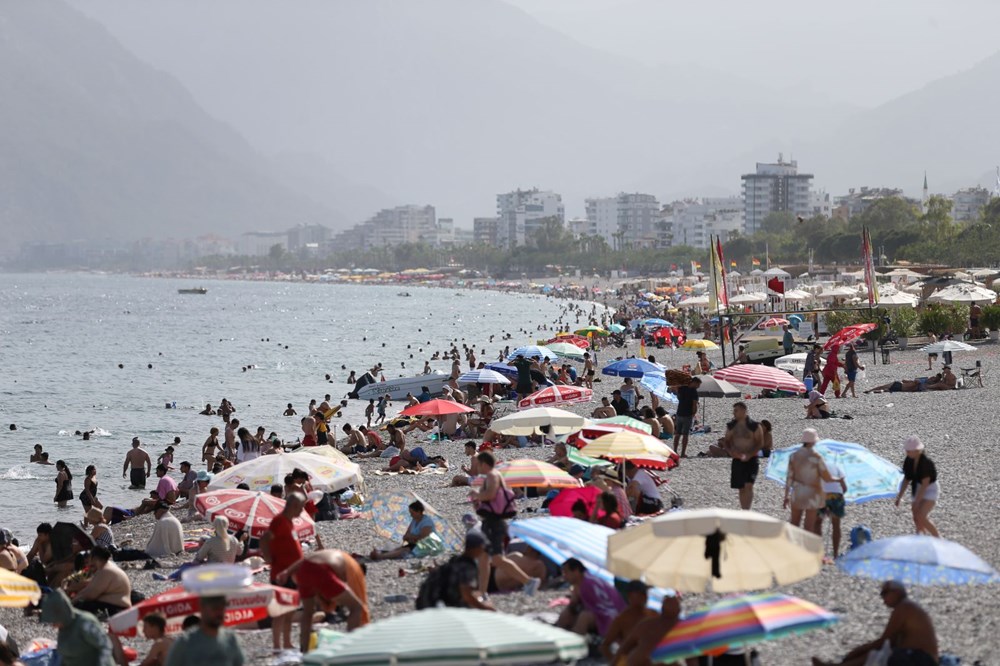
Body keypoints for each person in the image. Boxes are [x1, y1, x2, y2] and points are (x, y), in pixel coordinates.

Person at [812, 581, 938, 666]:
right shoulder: (906, 607)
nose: (882, 598)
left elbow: (883, 641)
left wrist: (856, 652)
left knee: (874, 655)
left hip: (920, 658)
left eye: (884, 593)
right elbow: (890, 641)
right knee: (874, 654)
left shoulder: (904, 608)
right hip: (920, 656)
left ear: (897, 592)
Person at [470, 452, 540, 597]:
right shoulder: (492, 476)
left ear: (484, 464)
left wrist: (476, 494)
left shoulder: (492, 475)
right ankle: (482, 592)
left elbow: (490, 494)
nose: (477, 468)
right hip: (490, 522)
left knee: (496, 559)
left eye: (478, 464)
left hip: (494, 524)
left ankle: (528, 581)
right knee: (484, 558)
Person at [275, 550, 369, 653]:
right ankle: (351, 649)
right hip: (322, 570)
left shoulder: (332, 553)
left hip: (303, 570)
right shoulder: (352, 569)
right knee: (356, 607)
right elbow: (344, 594)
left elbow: (306, 559)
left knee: (308, 613)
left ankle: (305, 652)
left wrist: (287, 572)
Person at [261, 492, 306, 651]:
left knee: (289, 611)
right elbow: (265, 538)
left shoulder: (289, 522)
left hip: (291, 574)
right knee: (280, 611)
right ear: (293, 506)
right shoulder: (279, 521)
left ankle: (286, 643)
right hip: (281, 574)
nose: (301, 511)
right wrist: (268, 558)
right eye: (300, 507)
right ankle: (277, 645)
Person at [784, 428, 841, 534]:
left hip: (797, 492)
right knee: (808, 526)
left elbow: (789, 477)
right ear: (814, 442)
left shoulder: (794, 456)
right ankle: (806, 549)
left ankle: (791, 548)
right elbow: (827, 478)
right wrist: (838, 479)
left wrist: (786, 496)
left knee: (794, 523)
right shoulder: (817, 458)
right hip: (813, 493)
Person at [40, 589, 115, 666]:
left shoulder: (85, 623)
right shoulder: (65, 627)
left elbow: (105, 645)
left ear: (62, 614)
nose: (53, 625)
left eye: (54, 621)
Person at [165, 595, 245, 666]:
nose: (219, 613)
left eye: (222, 608)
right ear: (202, 608)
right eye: (215, 608)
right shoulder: (185, 643)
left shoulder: (231, 640)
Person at [556, 558, 625, 637]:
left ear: (576, 571)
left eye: (566, 573)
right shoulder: (580, 583)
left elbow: (602, 606)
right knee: (568, 612)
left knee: (584, 617)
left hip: (613, 614)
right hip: (601, 613)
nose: (564, 576)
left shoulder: (589, 583)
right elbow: (574, 604)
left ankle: (575, 641)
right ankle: (558, 636)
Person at [601, 580, 657, 664]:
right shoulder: (622, 619)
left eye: (645, 594)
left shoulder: (653, 614)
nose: (644, 597)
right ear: (629, 596)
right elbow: (604, 646)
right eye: (640, 594)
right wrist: (617, 662)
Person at [895, 436, 940, 537]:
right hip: (917, 486)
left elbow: (925, 484)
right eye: (906, 451)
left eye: (909, 451)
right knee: (915, 516)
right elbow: (906, 479)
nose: (907, 453)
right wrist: (899, 497)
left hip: (930, 488)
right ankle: (920, 534)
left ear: (917, 450)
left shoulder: (926, 463)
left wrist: (917, 501)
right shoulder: (908, 460)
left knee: (921, 515)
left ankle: (938, 538)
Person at [619, 596, 682, 666]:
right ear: (679, 611)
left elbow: (624, 648)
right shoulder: (647, 624)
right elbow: (625, 648)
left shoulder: (647, 623)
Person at [72, 546, 132, 617]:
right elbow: (90, 588)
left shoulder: (105, 571)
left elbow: (90, 594)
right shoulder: (107, 567)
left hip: (117, 608)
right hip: (117, 606)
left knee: (80, 605)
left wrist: (72, 601)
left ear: (94, 558)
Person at [724, 402, 764, 510]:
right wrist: (731, 452)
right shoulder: (731, 426)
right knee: (741, 487)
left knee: (749, 485)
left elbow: (759, 442)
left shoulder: (754, 426)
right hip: (737, 459)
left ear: (744, 410)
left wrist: (750, 454)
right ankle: (744, 509)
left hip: (752, 459)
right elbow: (727, 441)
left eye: (736, 410)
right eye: (734, 410)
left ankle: (747, 509)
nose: (734, 413)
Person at [370, 500, 436, 560]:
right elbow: (406, 535)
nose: (411, 515)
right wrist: (410, 537)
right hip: (413, 544)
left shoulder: (427, 523)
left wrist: (411, 537)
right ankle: (381, 553)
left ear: (418, 512)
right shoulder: (414, 520)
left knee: (404, 550)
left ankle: (381, 556)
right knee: (398, 548)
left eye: (412, 513)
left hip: (426, 546)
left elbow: (424, 539)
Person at [817, 457, 848, 559]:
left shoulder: (817, 467)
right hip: (836, 495)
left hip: (822, 495)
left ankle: (819, 552)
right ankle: (835, 554)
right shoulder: (837, 467)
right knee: (836, 524)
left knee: (817, 523)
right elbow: (844, 488)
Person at [674, 377, 700, 458]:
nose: (698, 386)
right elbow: (694, 404)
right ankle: (682, 453)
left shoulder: (682, 388)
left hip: (679, 413)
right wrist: (693, 413)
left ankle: (674, 451)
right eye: (698, 384)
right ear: (694, 383)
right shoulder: (694, 392)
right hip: (687, 415)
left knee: (677, 433)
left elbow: (678, 395)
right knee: (685, 435)